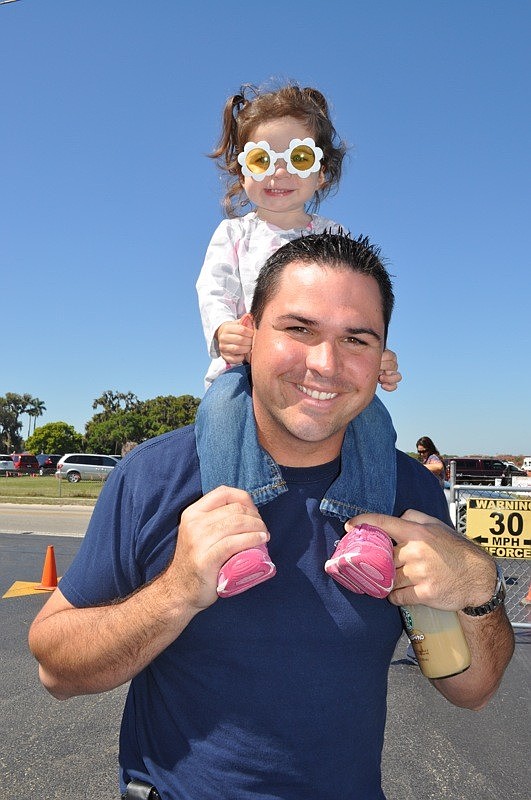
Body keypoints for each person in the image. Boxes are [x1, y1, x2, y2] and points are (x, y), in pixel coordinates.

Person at [28, 233, 514, 800]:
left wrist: (481, 588)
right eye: (299, 329)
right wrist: (178, 590)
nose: (325, 364)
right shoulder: (156, 476)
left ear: (383, 358)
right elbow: (56, 669)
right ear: (250, 333)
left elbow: (473, 689)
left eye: (355, 339)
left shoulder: (407, 494)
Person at [196, 81, 400, 595]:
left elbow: (358, 307)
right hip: (247, 370)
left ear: (321, 173)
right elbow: (212, 288)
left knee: (374, 418)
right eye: (264, 159)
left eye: (299, 157)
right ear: (244, 172)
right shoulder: (233, 235)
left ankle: (368, 531)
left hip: (322, 369)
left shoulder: (336, 237)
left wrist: (375, 352)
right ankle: (236, 539)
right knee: (220, 409)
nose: (280, 172)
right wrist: (222, 330)